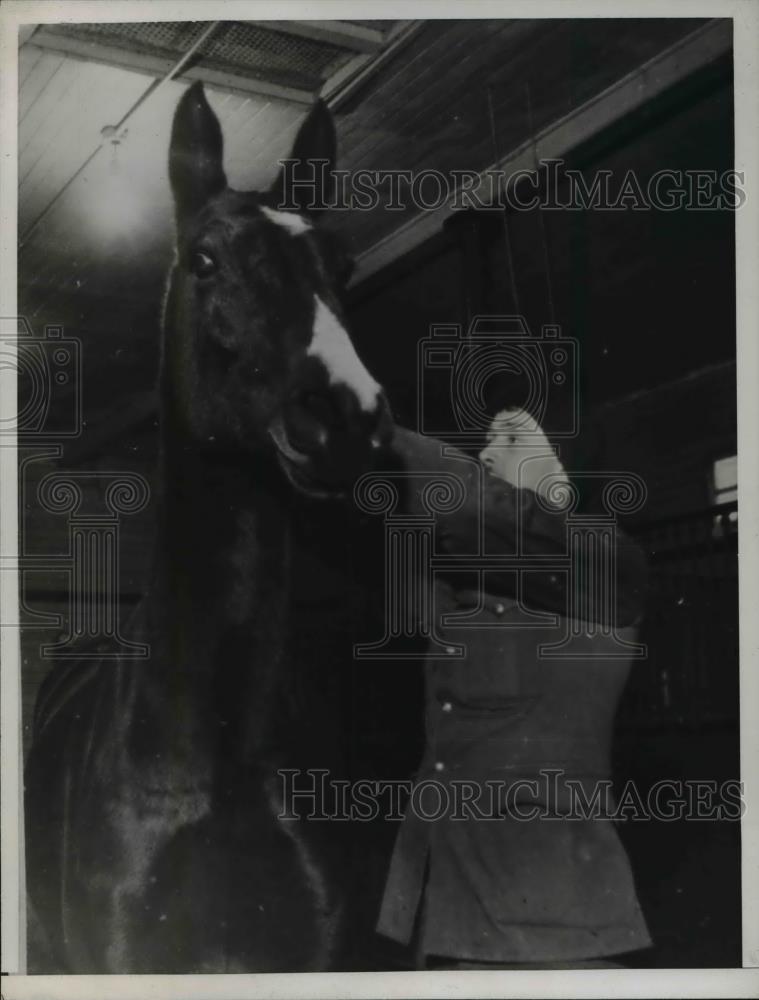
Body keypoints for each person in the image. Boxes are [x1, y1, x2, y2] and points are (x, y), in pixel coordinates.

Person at [376, 407, 652, 968]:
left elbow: (469, 502)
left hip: (549, 931)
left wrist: (370, 429)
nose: (485, 453)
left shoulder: (608, 565)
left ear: (564, 474)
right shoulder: (476, 587)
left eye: (510, 436)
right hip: (440, 914)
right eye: (485, 440)